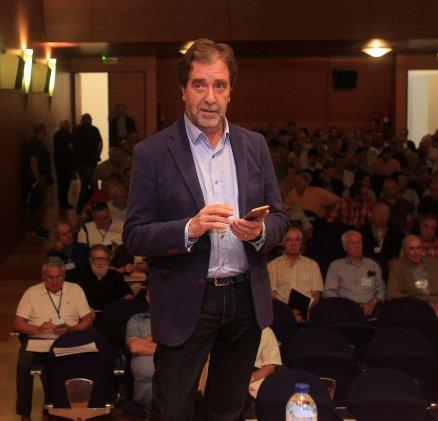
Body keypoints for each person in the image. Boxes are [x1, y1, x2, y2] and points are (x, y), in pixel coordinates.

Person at [122, 39, 289, 420]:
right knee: (172, 410)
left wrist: (259, 233)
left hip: (245, 297)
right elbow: (134, 234)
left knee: (228, 411)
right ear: (183, 90)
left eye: (219, 85)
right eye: (199, 84)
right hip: (186, 301)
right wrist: (189, 228)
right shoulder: (152, 153)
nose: (209, 97)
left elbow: (280, 217)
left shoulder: (254, 145)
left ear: (231, 91)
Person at [13, 257, 93, 421]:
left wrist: (72, 328)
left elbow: (88, 319)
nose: (55, 281)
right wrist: (37, 328)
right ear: (43, 275)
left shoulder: (75, 289)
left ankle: (50, 409)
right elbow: (17, 323)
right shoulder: (32, 292)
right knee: (24, 363)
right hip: (39, 341)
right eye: (50, 277)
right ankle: (24, 413)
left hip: (67, 340)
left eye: (59, 277)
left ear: (64, 275)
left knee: (63, 364)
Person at [387, 235, 438, 314]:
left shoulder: (435, 263)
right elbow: (392, 293)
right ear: (404, 251)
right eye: (411, 249)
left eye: (418, 248)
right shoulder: (398, 267)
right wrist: (422, 305)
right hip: (414, 309)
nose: (416, 253)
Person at [268, 227, 324, 323]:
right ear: (282, 242)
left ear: (302, 243)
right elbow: (272, 295)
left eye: (297, 240)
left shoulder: (312, 265)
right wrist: (289, 312)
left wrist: (304, 311)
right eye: (289, 240)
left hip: (307, 316)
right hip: (281, 317)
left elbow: (316, 294)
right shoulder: (272, 266)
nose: (293, 244)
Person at [323, 231, 385, 316]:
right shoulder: (336, 266)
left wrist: (373, 302)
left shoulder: (373, 265)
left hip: (370, 309)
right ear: (345, 247)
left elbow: (381, 290)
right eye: (353, 243)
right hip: (345, 311)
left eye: (359, 242)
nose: (357, 246)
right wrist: (344, 306)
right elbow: (329, 292)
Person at [74, 244, 134, 311]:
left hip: (111, 314)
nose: (100, 262)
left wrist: (126, 299)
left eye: (104, 259)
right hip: (87, 314)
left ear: (108, 260)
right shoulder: (80, 275)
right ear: (90, 260)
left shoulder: (115, 275)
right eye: (97, 259)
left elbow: (128, 293)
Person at [126, 288, 155, 416]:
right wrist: (167, 345)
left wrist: (149, 340)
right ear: (148, 297)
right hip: (147, 388)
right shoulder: (137, 319)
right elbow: (135, 347)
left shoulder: (181, 319)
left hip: (176, 381)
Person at [359, 202, 404, 279]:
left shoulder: (396, 231)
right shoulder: (363, 231)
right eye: (378, 213)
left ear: (389, 216)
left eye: (385, 214)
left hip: (389, 267)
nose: (381, 217)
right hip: (367, 266)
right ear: (372, 214)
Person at [24, 123, 52, 239]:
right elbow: (33, 161)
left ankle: (40, 227)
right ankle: (37, 229)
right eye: (45, 129)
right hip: (38, 179)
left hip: (42, 177)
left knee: (40, 204)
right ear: (42, 130)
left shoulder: (38, 143)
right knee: (36, 205)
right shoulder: (36, 143)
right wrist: (37, 179)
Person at [71, 113, 103, 214]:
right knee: (92, 183)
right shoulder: (94, 130)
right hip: (91, 161)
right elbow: (99, 144)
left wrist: (75, 156)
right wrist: (97, 155)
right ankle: (94, 206)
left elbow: (71, 145)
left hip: (80, 162)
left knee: (85, 184)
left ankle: (82, 208)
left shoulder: (76, 130)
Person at [52, 120, 75, 210]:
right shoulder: (69, 136)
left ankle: (61, 201)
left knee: (60, 182)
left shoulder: (56, 135)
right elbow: (71, 148)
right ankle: (64, 202)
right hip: (67, 162)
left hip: (58, 162)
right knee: (66, 183)